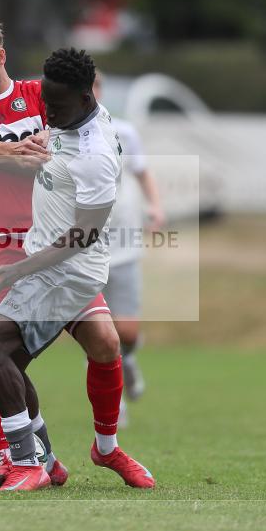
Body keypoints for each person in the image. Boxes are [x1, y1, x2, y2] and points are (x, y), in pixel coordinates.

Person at [0, 17, 120, 489]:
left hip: (49, 241)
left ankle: (107, 449)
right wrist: (16, 149)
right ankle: (25, 456)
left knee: (105, 341)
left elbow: (85, 120)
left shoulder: (42, 96)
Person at [0, 47, 154, 491]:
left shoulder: (96, 157)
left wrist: (19, 271)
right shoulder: (74, 115)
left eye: (55, 106)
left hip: (64, 271)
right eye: (45, 104)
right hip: (57, 266)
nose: (47, 113)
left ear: (86, 97)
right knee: (104, 346)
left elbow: (85, 235)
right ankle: (97, 451)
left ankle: (27, 461)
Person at [92, 70, 165, 427]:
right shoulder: (58, 133)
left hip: (122, 244)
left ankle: (130, 360)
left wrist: (155, 206)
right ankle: (114, 405)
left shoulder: (124, 131)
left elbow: (142, 171)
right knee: (100, 333)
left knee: (128, 333)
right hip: (82, 250)